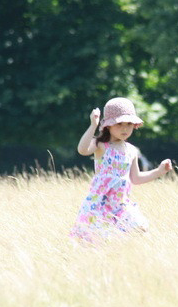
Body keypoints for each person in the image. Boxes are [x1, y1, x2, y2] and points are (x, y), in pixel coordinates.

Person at [70, 97, 172, 242]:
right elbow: (82, 149)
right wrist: (93, 125)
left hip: (120, 204)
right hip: (99, 203)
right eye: (119, 124)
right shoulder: (101, 145)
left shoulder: (131, 150)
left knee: (139, 227)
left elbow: (135, 178)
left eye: (129, 124)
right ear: (108, 126)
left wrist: (159, 171)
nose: (125, 129)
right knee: (98, 239)